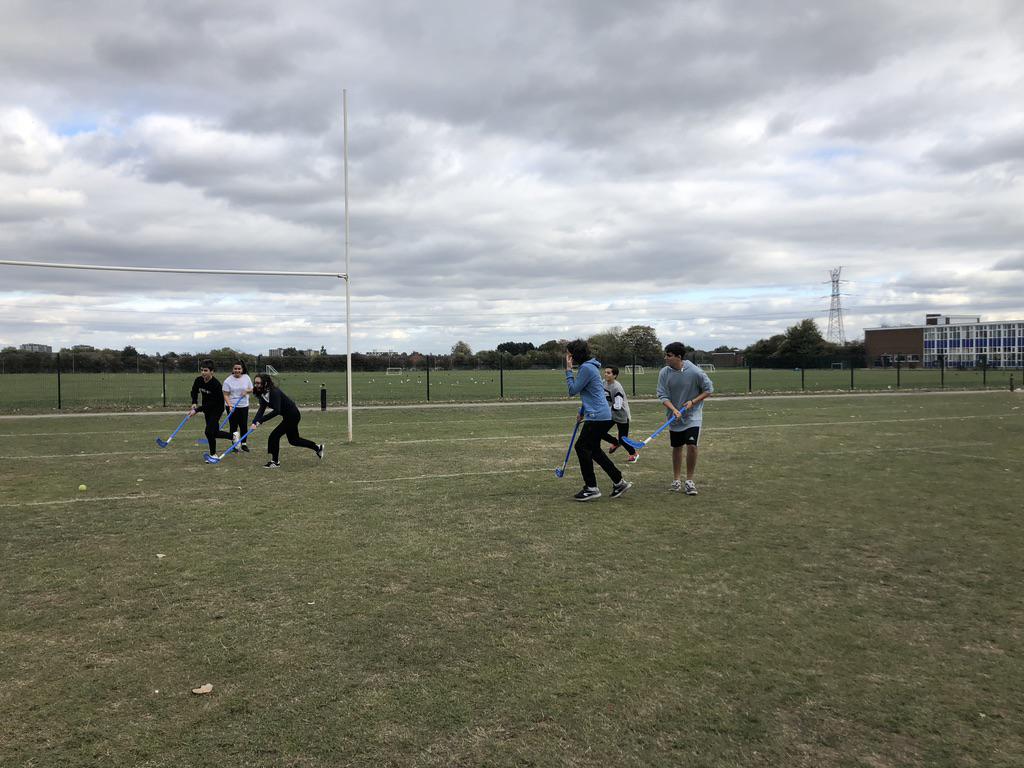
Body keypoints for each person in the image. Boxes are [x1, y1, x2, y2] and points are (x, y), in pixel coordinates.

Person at [563, 339, 631, 501]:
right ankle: (619, 482)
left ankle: (591, 488)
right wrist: (582, 411)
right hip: (599, 415)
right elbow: (592, 393)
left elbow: (573, 390)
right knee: (594, 450)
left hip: (597, 417)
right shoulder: (590, 367)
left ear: (574, 355)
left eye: (569, 354)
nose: (567, 357)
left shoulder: (586, 368)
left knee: (581, 447)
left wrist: (568, 370)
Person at [656, 342, 714, 495]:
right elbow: (662, 395)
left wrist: (693, 402)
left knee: (692, 445)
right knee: (677, 447)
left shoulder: (695, 372)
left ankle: (689, 481)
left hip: (693, 415)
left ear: (678, 357)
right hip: (674, 416)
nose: (665, 358)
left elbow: (709, 390)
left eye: (669, 355)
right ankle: (676, 480)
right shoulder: (664, 373)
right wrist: (674, 409)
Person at [251, 373, 324, 469]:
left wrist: (261, 421)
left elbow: (277, 411)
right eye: (255, 383)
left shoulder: (274, 392)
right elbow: (261, 409)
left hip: (293, 415)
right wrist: (254, 422)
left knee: (274, 436)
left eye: (258, 383)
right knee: (294, 440)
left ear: (265, 383)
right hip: (288, 416)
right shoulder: (262, 394)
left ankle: (275, 462)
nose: (256, 385)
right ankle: (318, 447)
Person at [190, 360, 233, 456]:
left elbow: (212, 403)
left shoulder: (216, 385)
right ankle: (233, 436)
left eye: (205, 370)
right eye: (202, 370)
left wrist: (197, 410)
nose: (203, 372)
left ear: (212, 371)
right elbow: (194, 391)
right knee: (214, 432)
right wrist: (194, 402)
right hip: (207, 409)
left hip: (217, 408)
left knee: (209, 432)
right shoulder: (199, 380)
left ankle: (213, 455)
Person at [600, 365, 638, 463]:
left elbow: (617, 406)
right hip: (611, 414)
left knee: (623, 440)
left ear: (615, 375)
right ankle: (615, 442)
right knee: (600, 432)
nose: (605, 374)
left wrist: (605, 410)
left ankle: (634, 453)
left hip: (622, 416)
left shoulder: (617, 388)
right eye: (605, 372)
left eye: (608, 373)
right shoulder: (603, 383)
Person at [222, 361, 253, 453]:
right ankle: (235, 445)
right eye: (235, 369)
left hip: (243, 406)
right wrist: (230, 405)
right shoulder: (228, 380)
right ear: (233, 369)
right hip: (231, 406)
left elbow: (252, 389)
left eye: (239, 369)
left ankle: (244, 444)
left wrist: (246, 391)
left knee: (243, 425)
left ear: (242, 369)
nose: (237, 370)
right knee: (233, 426)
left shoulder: (246, 377)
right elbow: (225, 395)